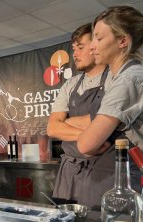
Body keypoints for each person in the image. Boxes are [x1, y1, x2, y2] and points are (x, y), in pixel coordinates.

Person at [77, 7, 143, 191]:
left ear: (123, 41)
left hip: (124, 181)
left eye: (99, 38)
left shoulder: (130, 80)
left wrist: (89, 135)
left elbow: (85, 144)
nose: (92, 45)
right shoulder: (116, 77)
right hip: (108, 176)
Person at [47, 23, 115, 208]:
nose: (74, 54)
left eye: (81, 47)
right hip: (69, 172)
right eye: (74, 49)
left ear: (95, 47)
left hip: (102, 172)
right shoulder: (70, 85)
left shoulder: (115, 79)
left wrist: (67, 122)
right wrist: (92, 134)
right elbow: (52, 127)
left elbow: (111, 123)